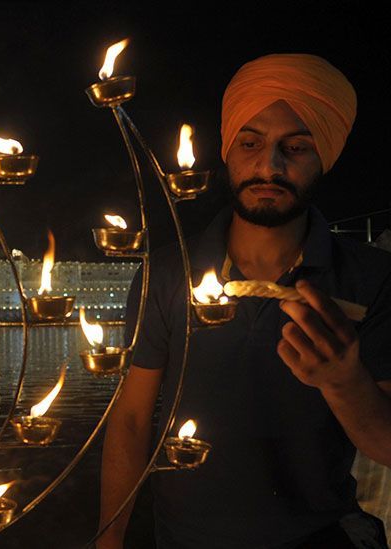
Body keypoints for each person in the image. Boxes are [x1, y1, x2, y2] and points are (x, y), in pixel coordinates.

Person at [98, 54, 391, 548]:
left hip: (319, 537)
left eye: (295, 147)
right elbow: (129, 421)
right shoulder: (169, 274)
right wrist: (110, 541)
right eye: (251, 143)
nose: (268, 166)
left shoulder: (371, 278)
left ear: (327, 157)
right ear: (229, 148)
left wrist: (343, 381)